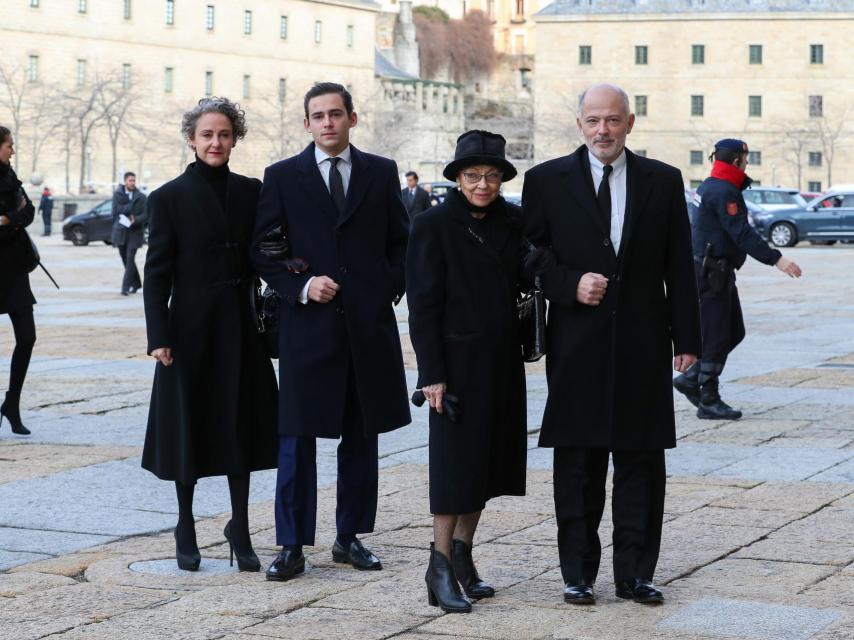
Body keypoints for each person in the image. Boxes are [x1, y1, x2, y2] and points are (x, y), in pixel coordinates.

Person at [523, 83, 700, 606]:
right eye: (594, 120)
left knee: (641, 462)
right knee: (578, 462)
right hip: (577, 342)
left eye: (614, 120)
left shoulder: (662, 181)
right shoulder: (546, 180)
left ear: (630, 123)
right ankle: (576, 573)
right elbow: (529, 254)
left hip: (645, 342)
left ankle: (636, 573)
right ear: (580, 123)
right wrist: (568, 283)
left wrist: (687, 338)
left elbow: (679, 264)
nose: (604, 130)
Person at [251, 82, 411, 582]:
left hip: (366, 329)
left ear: (352, 118)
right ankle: (291, 544)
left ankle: (350, 537)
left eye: (335, 114)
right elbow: (262, 250)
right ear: (306, 123)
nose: (327, 123)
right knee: (296, 440)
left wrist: (380, 288)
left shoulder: (380, 173)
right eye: (317, 116)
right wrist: (301, 284)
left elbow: (402, 245)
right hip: (308, 331)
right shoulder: (281, 176)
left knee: (361, 439)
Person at [142, 97, 278, 572]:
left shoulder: (252, 191)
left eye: (223, 134)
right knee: (190, 427)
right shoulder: (167, 198)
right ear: (192, 139)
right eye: (207, 135)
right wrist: (158, 334)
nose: (215, 142)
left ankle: (240, 527)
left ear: (234, 138)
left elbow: (270, 249)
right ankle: (185, 524)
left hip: (241, 326)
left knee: (239, 425)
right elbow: (156, 273)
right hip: (189, 331)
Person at [407, 130, 534, 613]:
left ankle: (463, 555)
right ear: (457, 178)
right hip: (454, 364)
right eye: (473, 175)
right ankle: (437, 564)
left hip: (501, 359)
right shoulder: (433, 224)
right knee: (454, 465)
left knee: (485, 464)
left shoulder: (515, 221)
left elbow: (525, 274)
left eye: (491, 175)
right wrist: (432, 374)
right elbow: (422, 305)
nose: (482, 184)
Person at [673, 139, 802, 419]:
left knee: (733, 332)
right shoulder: (723, 191)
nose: (747, 164)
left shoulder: (710, 185)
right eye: (745, 159)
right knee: (717, 337)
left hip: (715, 270)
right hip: (711, 273)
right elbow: (741, 233)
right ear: (736, 161)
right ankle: (709, 399)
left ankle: (690, 378)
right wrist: (777, 259)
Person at [0, 126, 35, 436]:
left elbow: (30, 212)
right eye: (9, 145)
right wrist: (14, 216)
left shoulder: (11, 178)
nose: (13, 150)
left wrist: (7, 218)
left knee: (27, 337)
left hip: (14, 271)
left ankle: (11, 403)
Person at [111, 172, 147, 296]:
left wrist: (135, 219)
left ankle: (125, 287)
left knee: (130, 258)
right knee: (125, 259)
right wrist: (129, 207)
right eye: (130, 180)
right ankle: (136, 283)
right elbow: (115, 211)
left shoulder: (141, 197)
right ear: (125, 181)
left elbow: (146, 215)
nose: (132, 183)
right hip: (121, 232)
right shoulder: (117, 194)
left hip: (135, 233)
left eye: (134, 181)